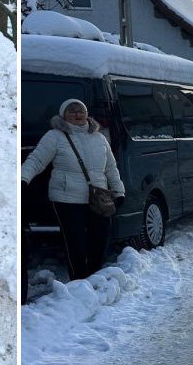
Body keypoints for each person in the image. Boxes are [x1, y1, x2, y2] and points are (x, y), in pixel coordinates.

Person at [21, 99, 125, 281]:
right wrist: (22, 179)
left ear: (87, 114)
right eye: (72, 111)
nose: (77, 114)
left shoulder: (99, 138)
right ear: (63, 115)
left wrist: (118, 191)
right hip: (66, 198)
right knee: (75, 243)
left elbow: (111, 167)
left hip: (98, 198)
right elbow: (36, 160)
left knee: (101, 239)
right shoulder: (54, 136)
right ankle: (78, 282)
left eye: (80, 110)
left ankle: (94, 278)